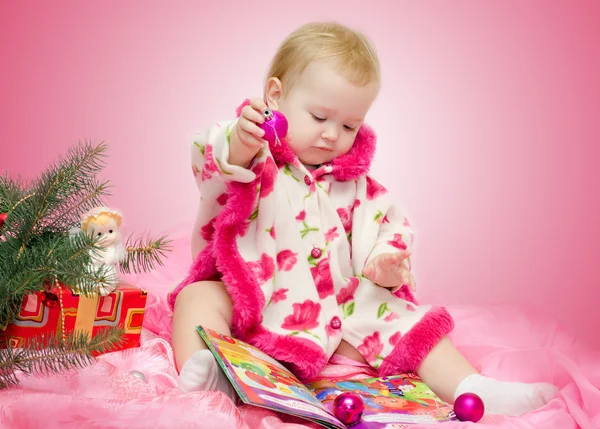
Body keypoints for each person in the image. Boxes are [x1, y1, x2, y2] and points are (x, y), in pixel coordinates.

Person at [169, 22, 557, 416]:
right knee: (197, 298)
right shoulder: (254, 157)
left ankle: (471, 387)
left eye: (349, 125)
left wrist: (385, 264)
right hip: (260, 297)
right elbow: (213, 161)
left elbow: (388, 225)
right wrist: (241, 140)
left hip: (335, 307)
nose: (332, 135)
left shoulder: (356, 185)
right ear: (276, 95)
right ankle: (213, 370)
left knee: (413, 324)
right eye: (319, 117)